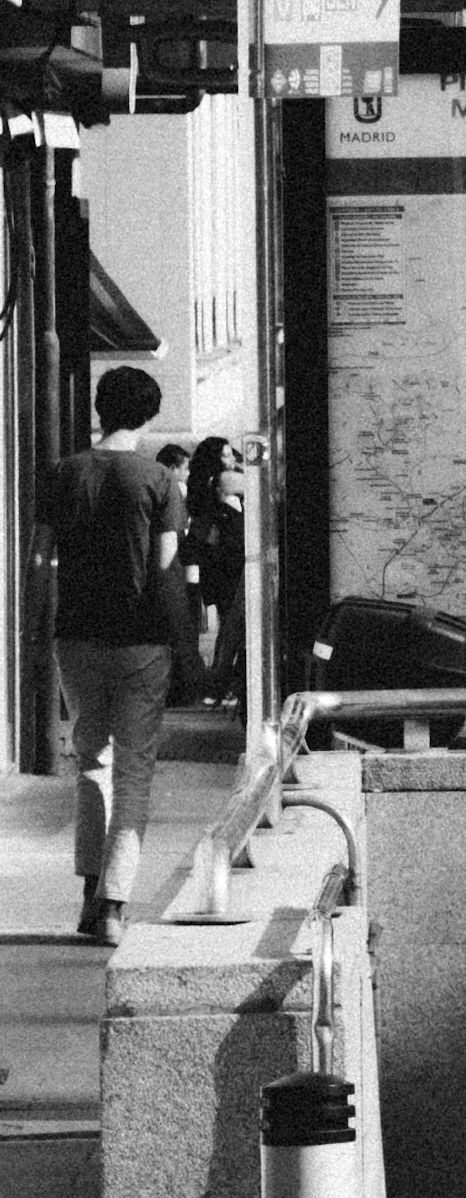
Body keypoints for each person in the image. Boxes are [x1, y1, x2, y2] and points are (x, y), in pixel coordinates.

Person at [38, 366, 203, 946]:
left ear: (100, 409)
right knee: (134, 769)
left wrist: (42, 630)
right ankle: (113, 903)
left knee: (91, 760)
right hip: (141, 641)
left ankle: (89, 892)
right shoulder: (158, 480)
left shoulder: (63, 474)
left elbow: (41, 559)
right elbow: (167, 570)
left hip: (76, 639)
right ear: (150, 414)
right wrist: (186, 646)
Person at [182, 435, 246, 710]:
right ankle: (219, 682)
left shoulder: (202, 489)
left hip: (217, 565)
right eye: (226, 455)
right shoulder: (225, 481)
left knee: (228, 626)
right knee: (232, 628)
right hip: (230, 564)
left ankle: (219, 683)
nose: (232, 460)